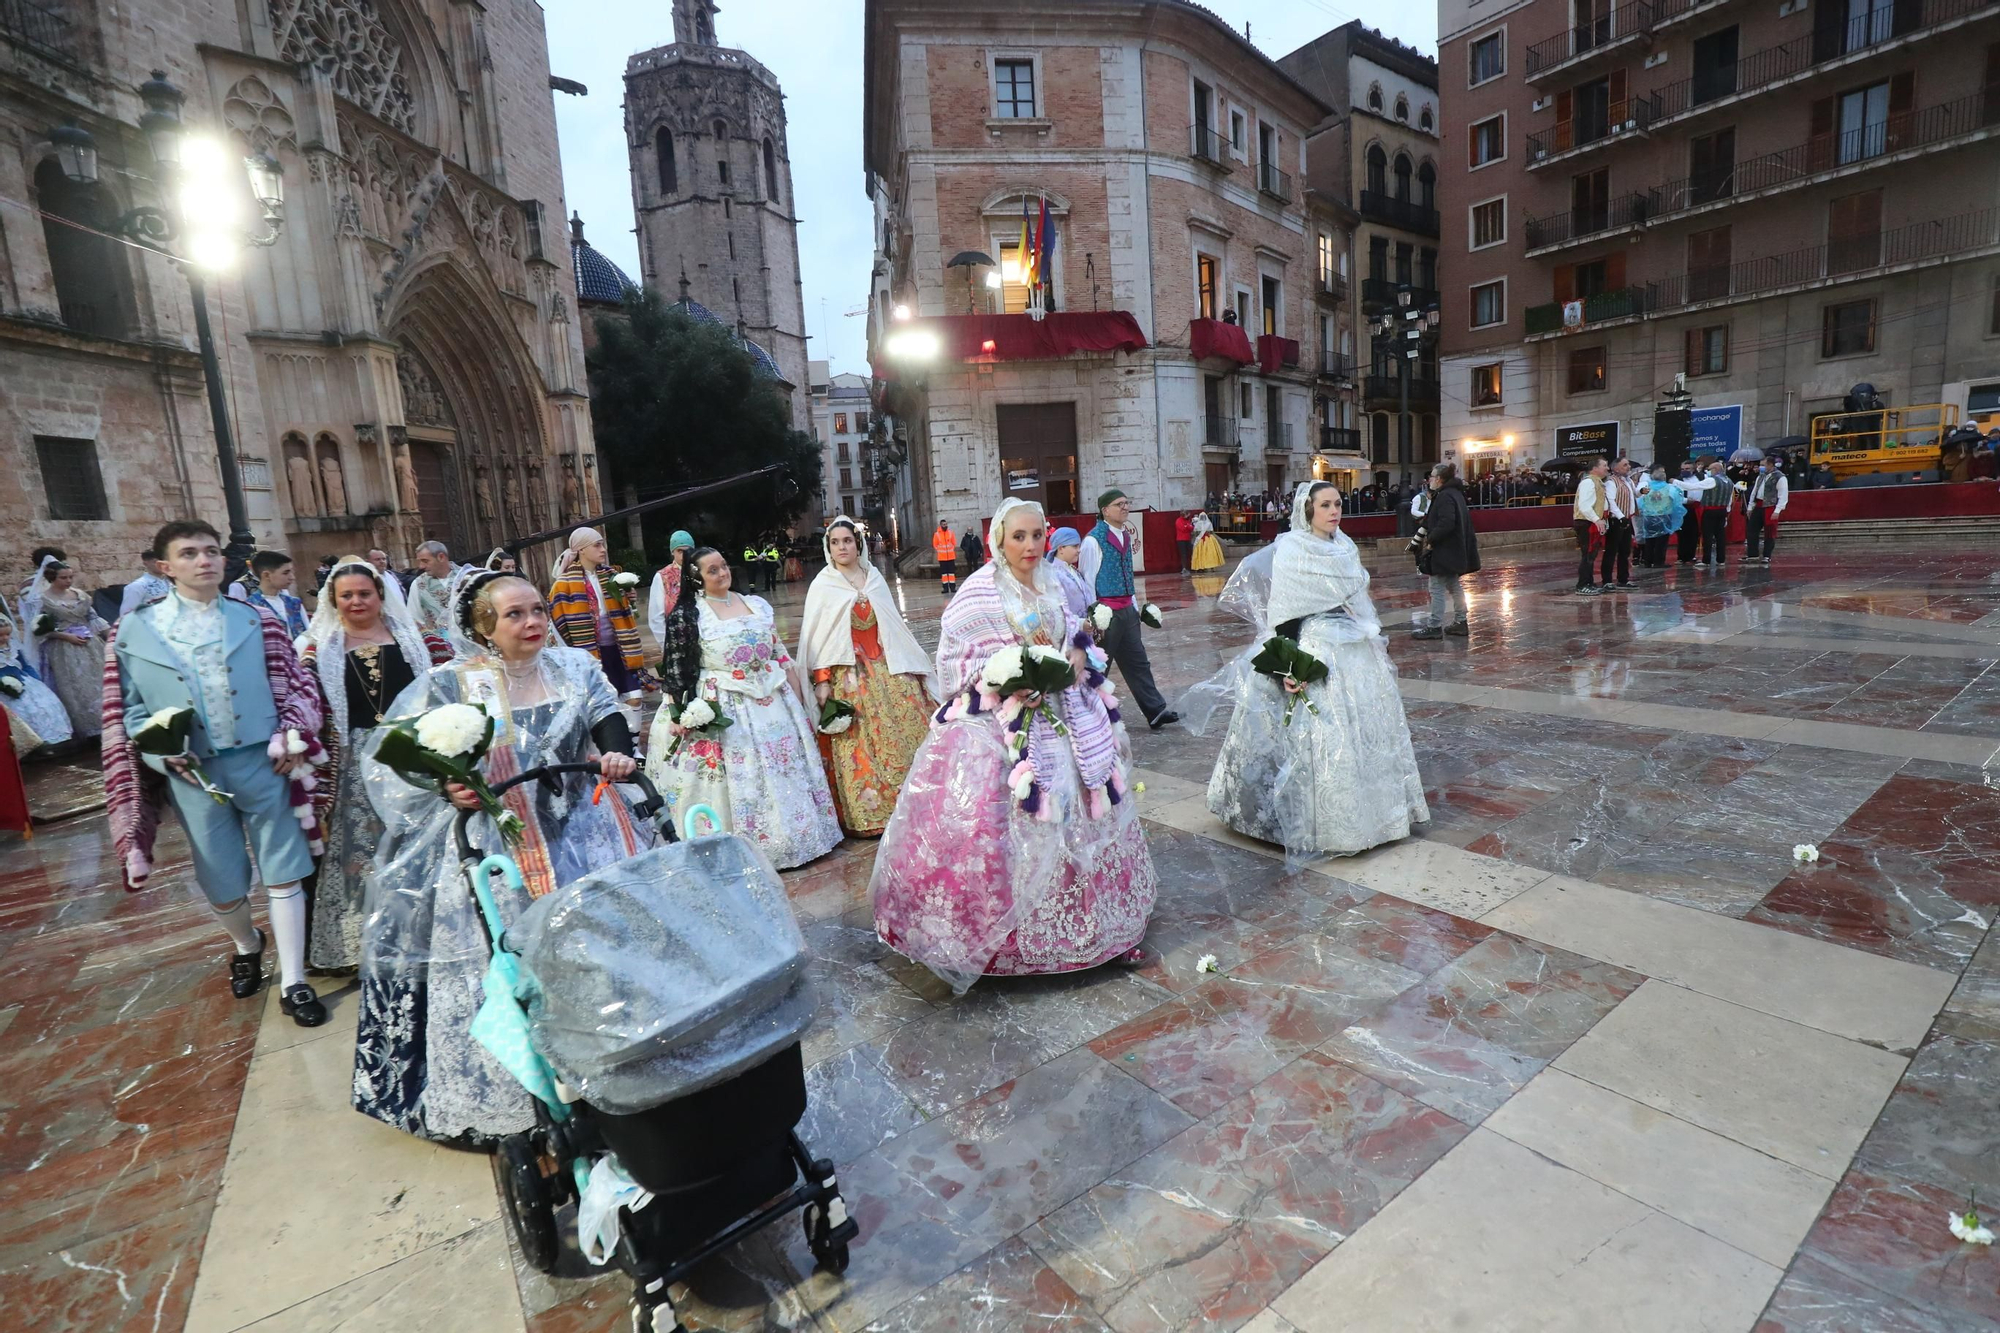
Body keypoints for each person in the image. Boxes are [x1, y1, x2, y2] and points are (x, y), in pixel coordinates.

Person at [354, 570, 650, 1140]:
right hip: (502, 843)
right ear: (483, 626)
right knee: (508, 956)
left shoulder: (576, 666)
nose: (534, 621)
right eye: (515, 614)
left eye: (537, 609)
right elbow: (409, 755)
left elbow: (605, 714)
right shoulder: (456, 684)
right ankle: (525, 1090)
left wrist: (617, 755)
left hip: (584, 830)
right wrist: (449, 786)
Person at [871, 497, 1156, 991]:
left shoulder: (1057, 582)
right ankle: (999, 939)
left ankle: (1101, 931)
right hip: (1003, 725)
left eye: (1037, 535)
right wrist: (1004, 681)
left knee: (1089, 801)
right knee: (994, 814)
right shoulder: (978, 592)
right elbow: (955, 662)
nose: (1029, 545)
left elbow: (1076, 638)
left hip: (1065, 714)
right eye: (1018, 536)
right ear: (998, 540)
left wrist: (1073, 660)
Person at [103, 520, 328, 1026]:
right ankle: (247, 943)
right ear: (165, 567)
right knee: (221, 879)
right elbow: (129, 711)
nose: (204, 561)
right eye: (189, 554)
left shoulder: (256, 619)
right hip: (194, 773)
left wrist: (292, 735)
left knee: (284, 869)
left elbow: (293, 684)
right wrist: (161, 754)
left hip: (262, 761)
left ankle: (294, 980)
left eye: (211, 551)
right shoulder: (133, 630)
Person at [1183, 481, 1428, 862]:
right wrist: (1287, 664)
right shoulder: (1293, 550)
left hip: (1353, 651)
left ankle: (1373, 816)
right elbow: (1284, 614)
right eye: (1326, 505)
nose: (1335, 511)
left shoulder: (1344, 547)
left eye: (1338, 504)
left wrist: (1367, 632)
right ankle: (1312, 821)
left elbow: (1356, 603)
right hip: (1314, 646)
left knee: (1366, 732)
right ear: (1307, 510)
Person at [296, 557, 450, 970]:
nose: (356, 601)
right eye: (346, 595)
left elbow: (446, 685)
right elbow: (305, 708)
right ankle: (358, 943)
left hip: (413, 757)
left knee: (416, 842)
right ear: (333, 600)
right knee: (360, 852)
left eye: (365, 593)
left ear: (381, 596)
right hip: (354, 762)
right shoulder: (318, 652)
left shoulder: (418, 641)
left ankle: (425, 930)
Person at [644, 547, 840, 867]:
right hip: (726, 703)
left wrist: (799, 698)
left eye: (724, 566)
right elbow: (678, 667)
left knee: (784, 768)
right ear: (696, 578)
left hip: (773, 701)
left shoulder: (756, 604)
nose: (723, 573)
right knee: (740, 775)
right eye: (713, 570)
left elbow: (778, 653)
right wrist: (680, 712)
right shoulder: (689, 614)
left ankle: (795, 836)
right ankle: (743, 845)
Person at [797, 517, 935, 837]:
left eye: (847, 541)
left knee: (908, 727)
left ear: (857, 543)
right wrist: (822, 679)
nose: (842, 547)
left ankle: (915, 803)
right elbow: (820, 638)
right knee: (860, 744)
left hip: (886, 666)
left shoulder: (873, 577)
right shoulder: (824, 584)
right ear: (828, 548)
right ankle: (874, 814)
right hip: (848, 674)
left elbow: (892, 625)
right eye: (835, 542)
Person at [1079, 489, 1177, 729]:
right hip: (1105, 613)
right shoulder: (1093, 540)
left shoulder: (1125, 536)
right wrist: (1092, 616)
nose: (1125, 507)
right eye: (1119, 504)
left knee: (1138, 662)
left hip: (1127, 610)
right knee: (1098, 665)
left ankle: (1155, 710)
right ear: (1105, 511)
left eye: (1126, 503)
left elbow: (1128, 575)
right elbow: (1087, 579)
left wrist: (1134, 607)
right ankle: (1084, 715)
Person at [548, 526, 645, 704]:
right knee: (605, 701)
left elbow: (627, 614)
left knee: (634, 697)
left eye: (603, 545)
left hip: (619, 648)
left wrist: (629, 599)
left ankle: (633, 733)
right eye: (597, 545)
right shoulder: (563, 584)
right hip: (589, 652)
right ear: (582, 549)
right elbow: (557, 626)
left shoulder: (612, 576)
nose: (603, 549)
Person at [30, 559, 109, 737]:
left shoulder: (80, 595)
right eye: (63, 578)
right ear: (52, 578)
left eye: (70, 577)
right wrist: (65, 636)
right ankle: (88, 727)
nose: (68, 581)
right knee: (76, 687)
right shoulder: (43, 600)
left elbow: (94, 618)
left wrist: (112, 637)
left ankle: (108, 722)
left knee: (99, 682)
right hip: (63, 648)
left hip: (90, 645)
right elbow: (39, 629)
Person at [1411, 463, 1479, 640]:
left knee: (1436, 587)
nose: (1429, 480)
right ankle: (1460, 622)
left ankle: (1434, 626)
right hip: (1455, 550)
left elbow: (1447, 522)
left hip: (1445, 551)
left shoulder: (1444, 496)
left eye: (1432, 477)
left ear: (1439, 479)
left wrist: (1431, 539)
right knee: (1453, 585)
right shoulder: (1454, 494)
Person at [0, 610, 72, 751]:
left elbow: (25, 665)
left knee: (42, 706)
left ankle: (48, 741)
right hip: (4, 686)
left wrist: (37, 681)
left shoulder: (14, 647)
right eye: (0, 635)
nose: (4, 638)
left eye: (7, 634)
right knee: (19, 712)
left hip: (24, 680)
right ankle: (27, 745)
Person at [232, 550, 310, 639]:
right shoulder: (250, 607)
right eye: (285, 573)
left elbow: (309, 634)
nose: (292, 577)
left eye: (292, 572)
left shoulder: (294, 603)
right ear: (266, 575)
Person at [646, 530, 697, 652]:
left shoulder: (701, 571)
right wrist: (667, 645)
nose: (684, 555)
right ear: (672, 552)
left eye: (688, 550)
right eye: (680, 551)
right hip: (676, 641)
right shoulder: (663, 576)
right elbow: (656, 616)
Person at [1572, 457, 1610, 594]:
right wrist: (1597, 519)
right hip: (1586, 522)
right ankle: (1582, 585)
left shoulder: (1597, 482)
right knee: (1587, 554)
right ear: (1595, 468)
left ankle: (1589, 582)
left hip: (1593, 521)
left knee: (1591, 554)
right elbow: (1584, 506)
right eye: (1604, 465)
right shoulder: (1588, 482)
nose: (1607, 468)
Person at [1636, 466, 1686, 569]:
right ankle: (1659, 562)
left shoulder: (1646, 487)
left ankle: (1647, 561)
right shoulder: (1670, 488)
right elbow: (1677, 502)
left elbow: (1640, 501)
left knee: (1649, 540)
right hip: (1663, 517)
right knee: (1661, 541)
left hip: (1648, 518)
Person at [1744, 455, 1789, 566]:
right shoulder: (1761, 476)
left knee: (1769, 532)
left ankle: (1767, 555)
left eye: (1763, 465)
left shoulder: (1780, 477)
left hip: (1770, 506)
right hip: (1759, 505)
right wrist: (1750, 506)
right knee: (1751, 530)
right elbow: (1755, 491)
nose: (1761, 467)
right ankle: (1752, 554)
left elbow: (1783, 495)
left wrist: (1777, 510)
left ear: (1770, 465)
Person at [1600, 457, 1638, 590]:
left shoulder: (1627, 481)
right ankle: (1607, 580)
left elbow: (1635, 494)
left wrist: (1642, 491)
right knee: (1611, 550)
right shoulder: (1611, 482)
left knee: (1625, 550)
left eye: (1628, 464)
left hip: (1626, 518)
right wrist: (1621, 516)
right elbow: (1611, 501)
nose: (1628, 467)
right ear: (1616, 468)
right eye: (1625, 465)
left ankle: (1623, 579)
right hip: (1616, 520)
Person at [406, 541, 458, 637]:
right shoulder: (418, 584)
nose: (421, 566)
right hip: (437, 646)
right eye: (420, 561)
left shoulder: (466, 577)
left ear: (441, 557)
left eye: (425, 561)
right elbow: (414, 619)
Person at [1047, 527, 1092, 618]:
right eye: (1075, 546)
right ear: (1060, 549)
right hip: (1071, 628)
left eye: (1079, 546)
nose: (1079, 550)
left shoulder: (1073, 569)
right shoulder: (1053, 574)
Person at [1699, 459, 1736, 567]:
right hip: (1722, 510)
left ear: (1715, 469)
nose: (1708, 471)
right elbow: (1729, 498)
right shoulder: (1728, 480)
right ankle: (1721, 559)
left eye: (1709, 469)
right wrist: (1727, 512)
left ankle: (1706, 560)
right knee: (1720, 535)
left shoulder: (1712, 480)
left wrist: (1676, 483)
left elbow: (1695, 486)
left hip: (1710, 510)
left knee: (1708, 535)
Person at [118, 549, 173, 620]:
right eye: (155, 561)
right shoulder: (137, 586)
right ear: (146, 563)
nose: (161, 565)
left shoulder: (173, 583)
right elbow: (127, 615)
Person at [1671, 462, 1708, 565]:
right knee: (1683, 533)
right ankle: (1681, 556)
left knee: (1694, 533)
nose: (1684, 471)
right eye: (1682, 469)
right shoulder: (1678, 480)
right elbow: (1675, 496)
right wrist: (1687, 500)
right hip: (1684, 507)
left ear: (1693, 469)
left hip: (1697, 508)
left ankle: (1691, 555)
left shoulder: (1701, 477)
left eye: (1687, 468)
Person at [932, 520, 958, 596]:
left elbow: (954, 543)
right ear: (940, 525)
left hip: (950, 556)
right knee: (944, 574)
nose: (945, 525)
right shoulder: (937, 534)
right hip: (942, 557)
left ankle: (953, 587)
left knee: (951, 573)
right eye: (943, 524)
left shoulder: (950, 533)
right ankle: (945, 588)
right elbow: (935, 544)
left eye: (946, 524)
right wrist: (940, 550)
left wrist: (951, 549)